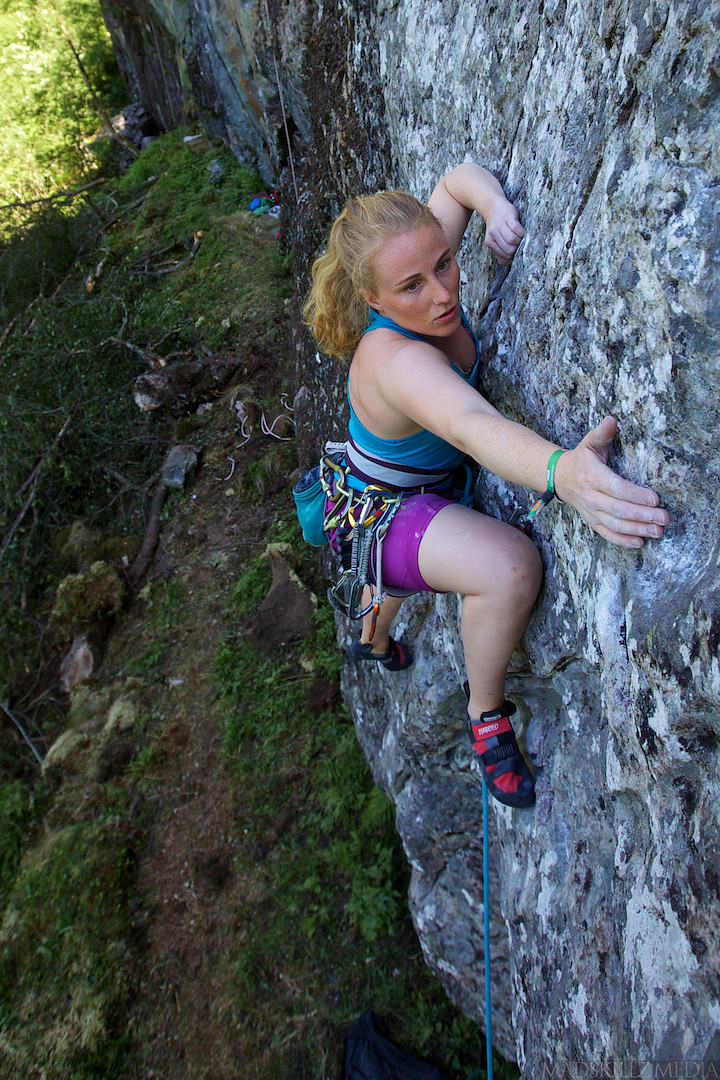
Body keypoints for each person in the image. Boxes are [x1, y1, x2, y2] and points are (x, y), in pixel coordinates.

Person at [303, 163, 669, 809]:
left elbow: (454, 183)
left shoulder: (413, 262)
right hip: (381, 515)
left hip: (389, 485)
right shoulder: (398, 360)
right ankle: (486, 715)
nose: (442, 293)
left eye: (445, 264)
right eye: (413, 287)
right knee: (508, 567)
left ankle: (372, 638)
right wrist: (563, 473)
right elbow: (470, 424)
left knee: (387, 591)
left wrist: (494, 207)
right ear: (373, 301)